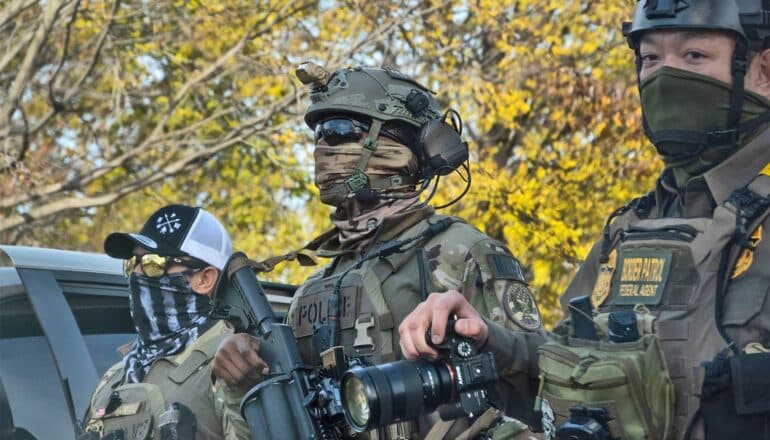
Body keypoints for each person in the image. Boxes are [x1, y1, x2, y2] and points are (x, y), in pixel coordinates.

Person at [399, 1, 770, 439]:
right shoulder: (631, 225)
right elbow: (569, 370)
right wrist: (486, 342)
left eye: (693, 56)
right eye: (650, 58)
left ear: (763, 71)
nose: (665, 77)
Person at [211, 64, 545, 439]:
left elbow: (544, 388)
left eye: (340, 132)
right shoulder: (313, 288)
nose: (323, 148)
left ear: (399, 145)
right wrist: (240, 383)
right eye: (319, 135)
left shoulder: (463, 253)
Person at [81, 204, 249, 439]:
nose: (137, 273)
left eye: (154, 263)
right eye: (133, 263)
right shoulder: (116, 377)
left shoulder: (234, 363)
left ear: (205, 279)